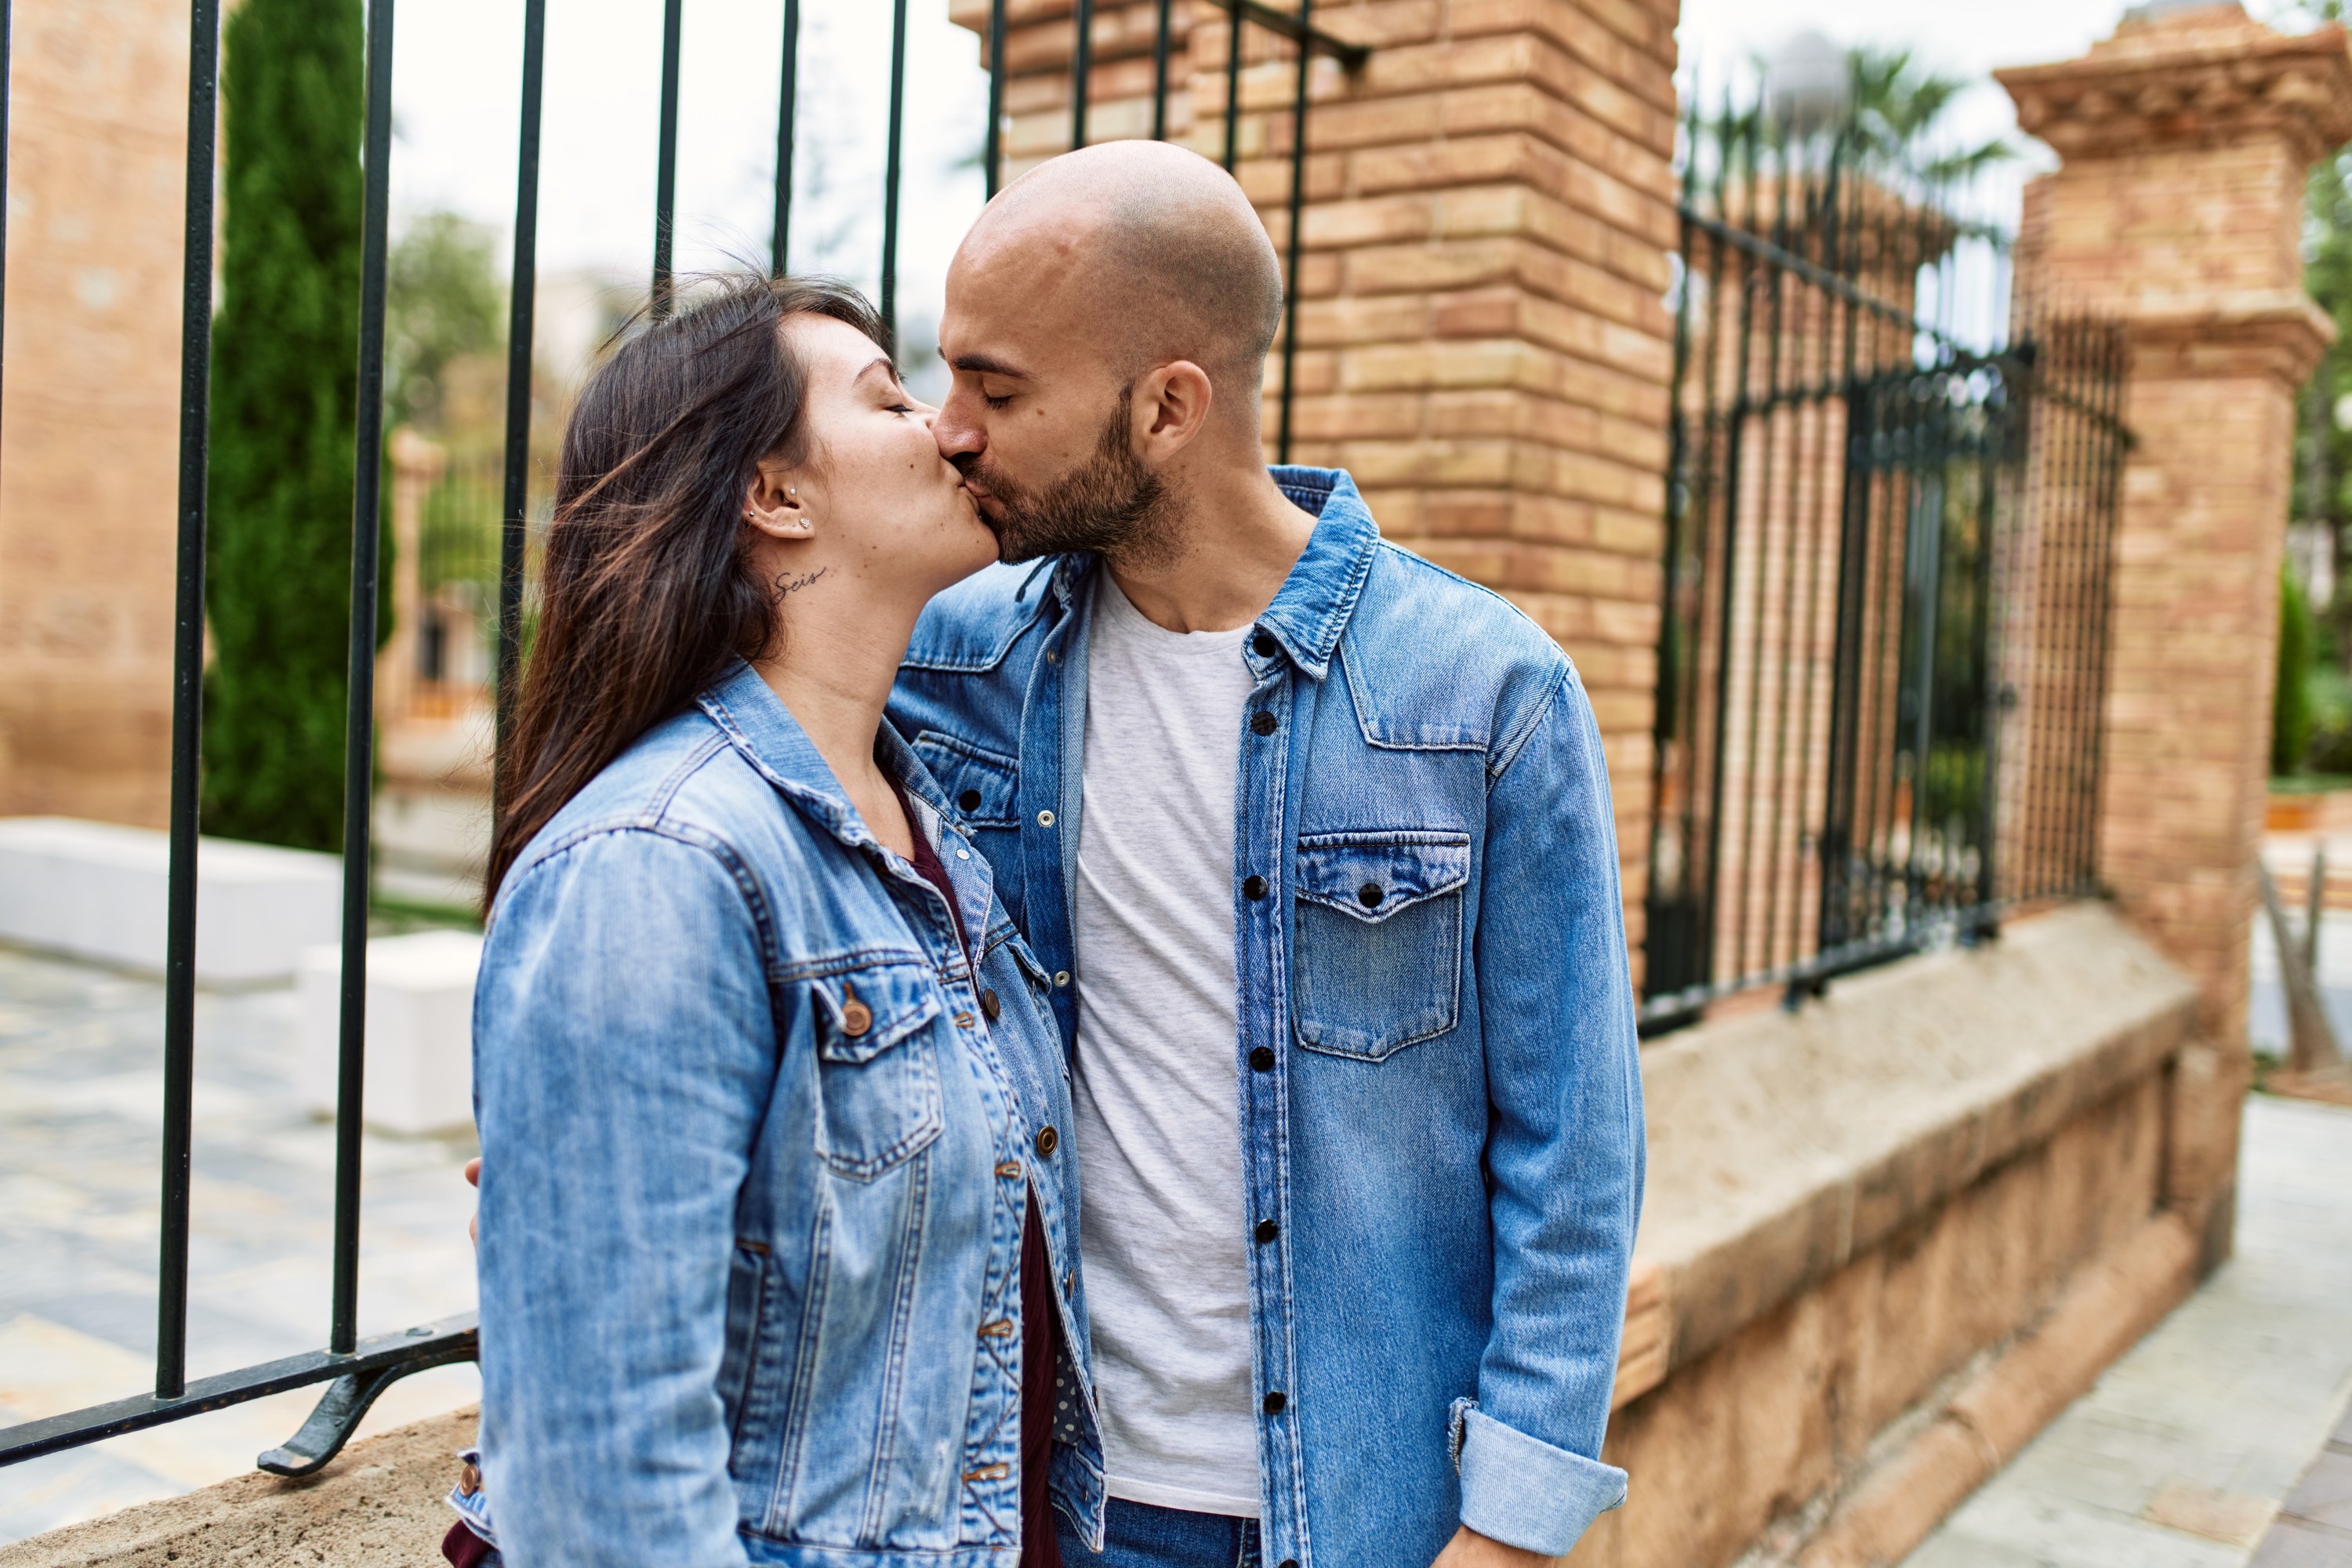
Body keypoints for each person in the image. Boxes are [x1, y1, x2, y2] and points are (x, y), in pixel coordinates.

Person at [887, 142, 1646, 1568]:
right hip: (1045, 1496)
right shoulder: (949, 662)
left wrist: (1513, 1534)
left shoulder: (1484, 697)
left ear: (1170, 405)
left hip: (1359, 1513)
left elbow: (1575, 1154)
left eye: (998, 390)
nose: (951, 430)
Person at [466, 275, 1105, 1567]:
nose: (950, 429)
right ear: (776, 493)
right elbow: (604, 1470)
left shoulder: (930, 837)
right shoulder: (657, 867)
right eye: (889, 399)